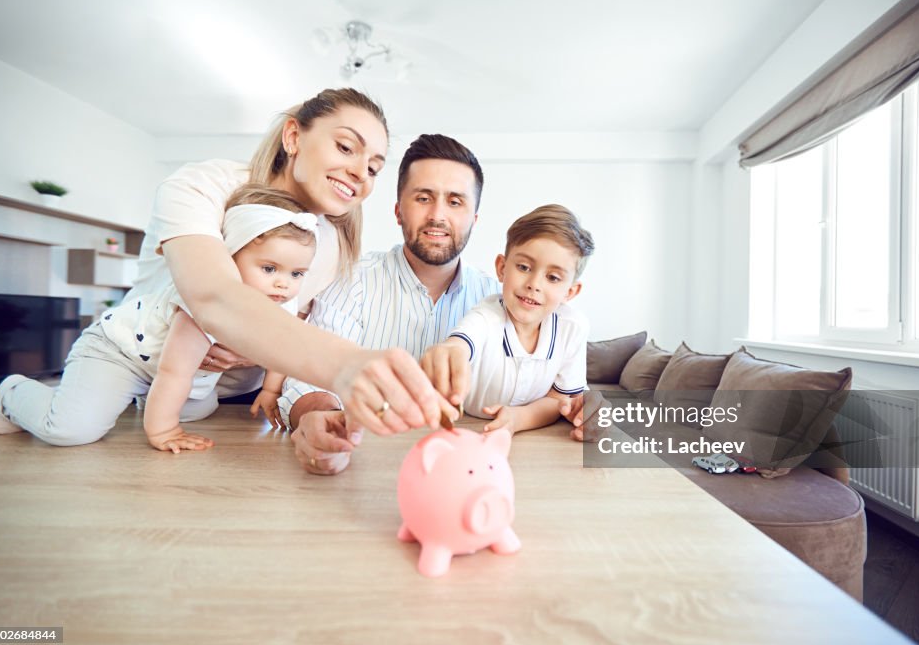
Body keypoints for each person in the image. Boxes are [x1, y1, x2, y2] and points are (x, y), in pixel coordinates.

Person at [101, 88, 450, 436]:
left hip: (240, 405)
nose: (361, 172)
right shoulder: (200, 187)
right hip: (146, 378)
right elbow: (213, 297)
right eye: (345, 147)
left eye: (374, 168)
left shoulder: (333, 242)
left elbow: (293, 321)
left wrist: (255, 356)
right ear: (294, 136)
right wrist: (346, 365)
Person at [0, 185, 317, 450]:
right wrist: (163, 431)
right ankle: (12, 393)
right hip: (119, 352)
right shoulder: (203, 299)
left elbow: (282, 348)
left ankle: (141, 399)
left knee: (196, 410)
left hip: (166, 367)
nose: (283, 283)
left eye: (297, 273)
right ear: (228, 258)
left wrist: (272, 390)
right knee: (70, 430)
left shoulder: (280, 300)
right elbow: (174, 371)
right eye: (269, 268)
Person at [281, 134, 500, 474]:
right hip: (365, 472)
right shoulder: (352, 280)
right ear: (398, 211)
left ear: (475, 218)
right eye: (423, 198)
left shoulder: (496, 298)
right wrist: (318, 415)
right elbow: (308, 376)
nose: (438, 216)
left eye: (455, 202)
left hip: (466, 472)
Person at [421, 204, 595, 440]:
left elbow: (559, 399)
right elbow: (460, 343)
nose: (534, 284)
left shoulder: (572, 328)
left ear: (570, 292)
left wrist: (518, 418)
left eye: (553, 278)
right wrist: (449, 350)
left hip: (528, 441)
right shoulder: (486, 317)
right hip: (468, 431)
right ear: (502, 268)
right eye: (524, 267)